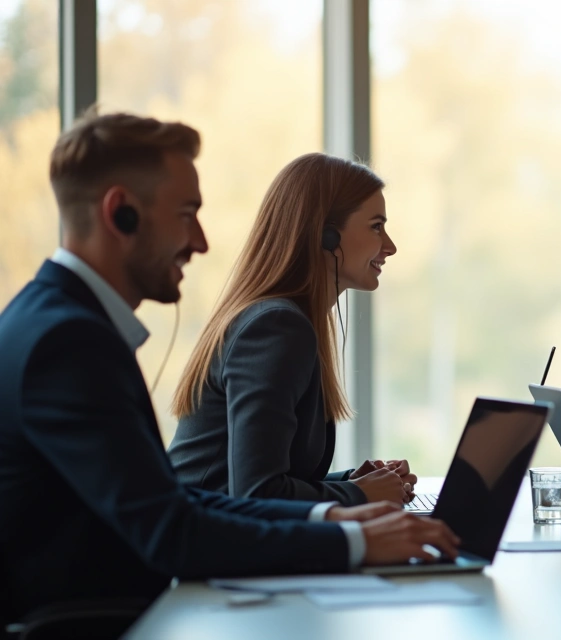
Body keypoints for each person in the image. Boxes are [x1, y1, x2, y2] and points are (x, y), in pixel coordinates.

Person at [0, 111, 458, 627]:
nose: (201, 242)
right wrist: (351, 534)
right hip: (100, 619)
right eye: (186, 214)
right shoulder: (67, 343)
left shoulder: (56, 323)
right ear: (121, 213)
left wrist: (337, 514)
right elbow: (172, 529)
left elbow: (177, 499)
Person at [167, 153, 413, 507]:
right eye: (376, 226)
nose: (389, 247)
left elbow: (269, 480)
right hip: (206, 551)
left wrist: (355, 483)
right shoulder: (276, 327)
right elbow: (257, 493)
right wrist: (357, 495)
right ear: (325, 235)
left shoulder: (286, 320)